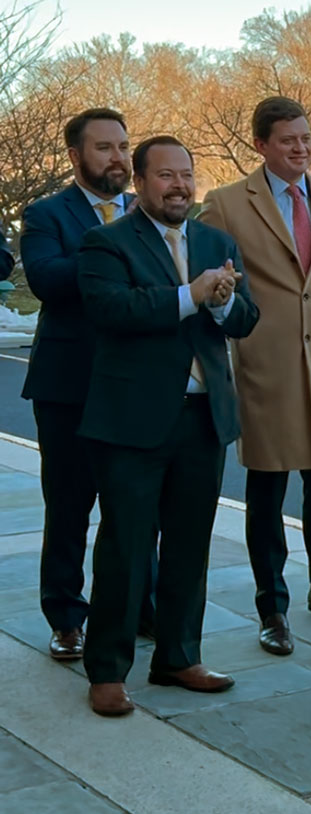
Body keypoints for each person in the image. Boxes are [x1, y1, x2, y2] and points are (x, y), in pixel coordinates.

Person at [78, 136, 259, 717]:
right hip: (133, 423)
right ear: (140, 181)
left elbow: (246, 319)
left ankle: (180, 656)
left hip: (203, 419)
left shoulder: (215, 240)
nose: (180, 186)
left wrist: (224, 302)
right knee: (126, 550)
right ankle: (107, 671)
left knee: (189, 546)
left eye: (187, 175)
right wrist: (190, 294)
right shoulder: (105, 243)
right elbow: (114, 311)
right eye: (166, 176)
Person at [200, 97, 311, 656]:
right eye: (288, 139)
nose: (301, 148)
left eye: (306, 138)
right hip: (265, 364)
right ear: (261, 145)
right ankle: (273, 608)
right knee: (267, 489)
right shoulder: (224, 204)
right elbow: (205, 273)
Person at [19, 108, 156, 662]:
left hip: (136, 385)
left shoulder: (149, 212)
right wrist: (112, 250)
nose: (120, 158)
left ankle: (136, 608)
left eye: (124, 147)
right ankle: (67, 617)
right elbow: (48, 280)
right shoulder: (47, 213)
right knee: (70, 507)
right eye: (105, 148)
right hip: (68, 385)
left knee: (136, 508)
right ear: (76, 156)